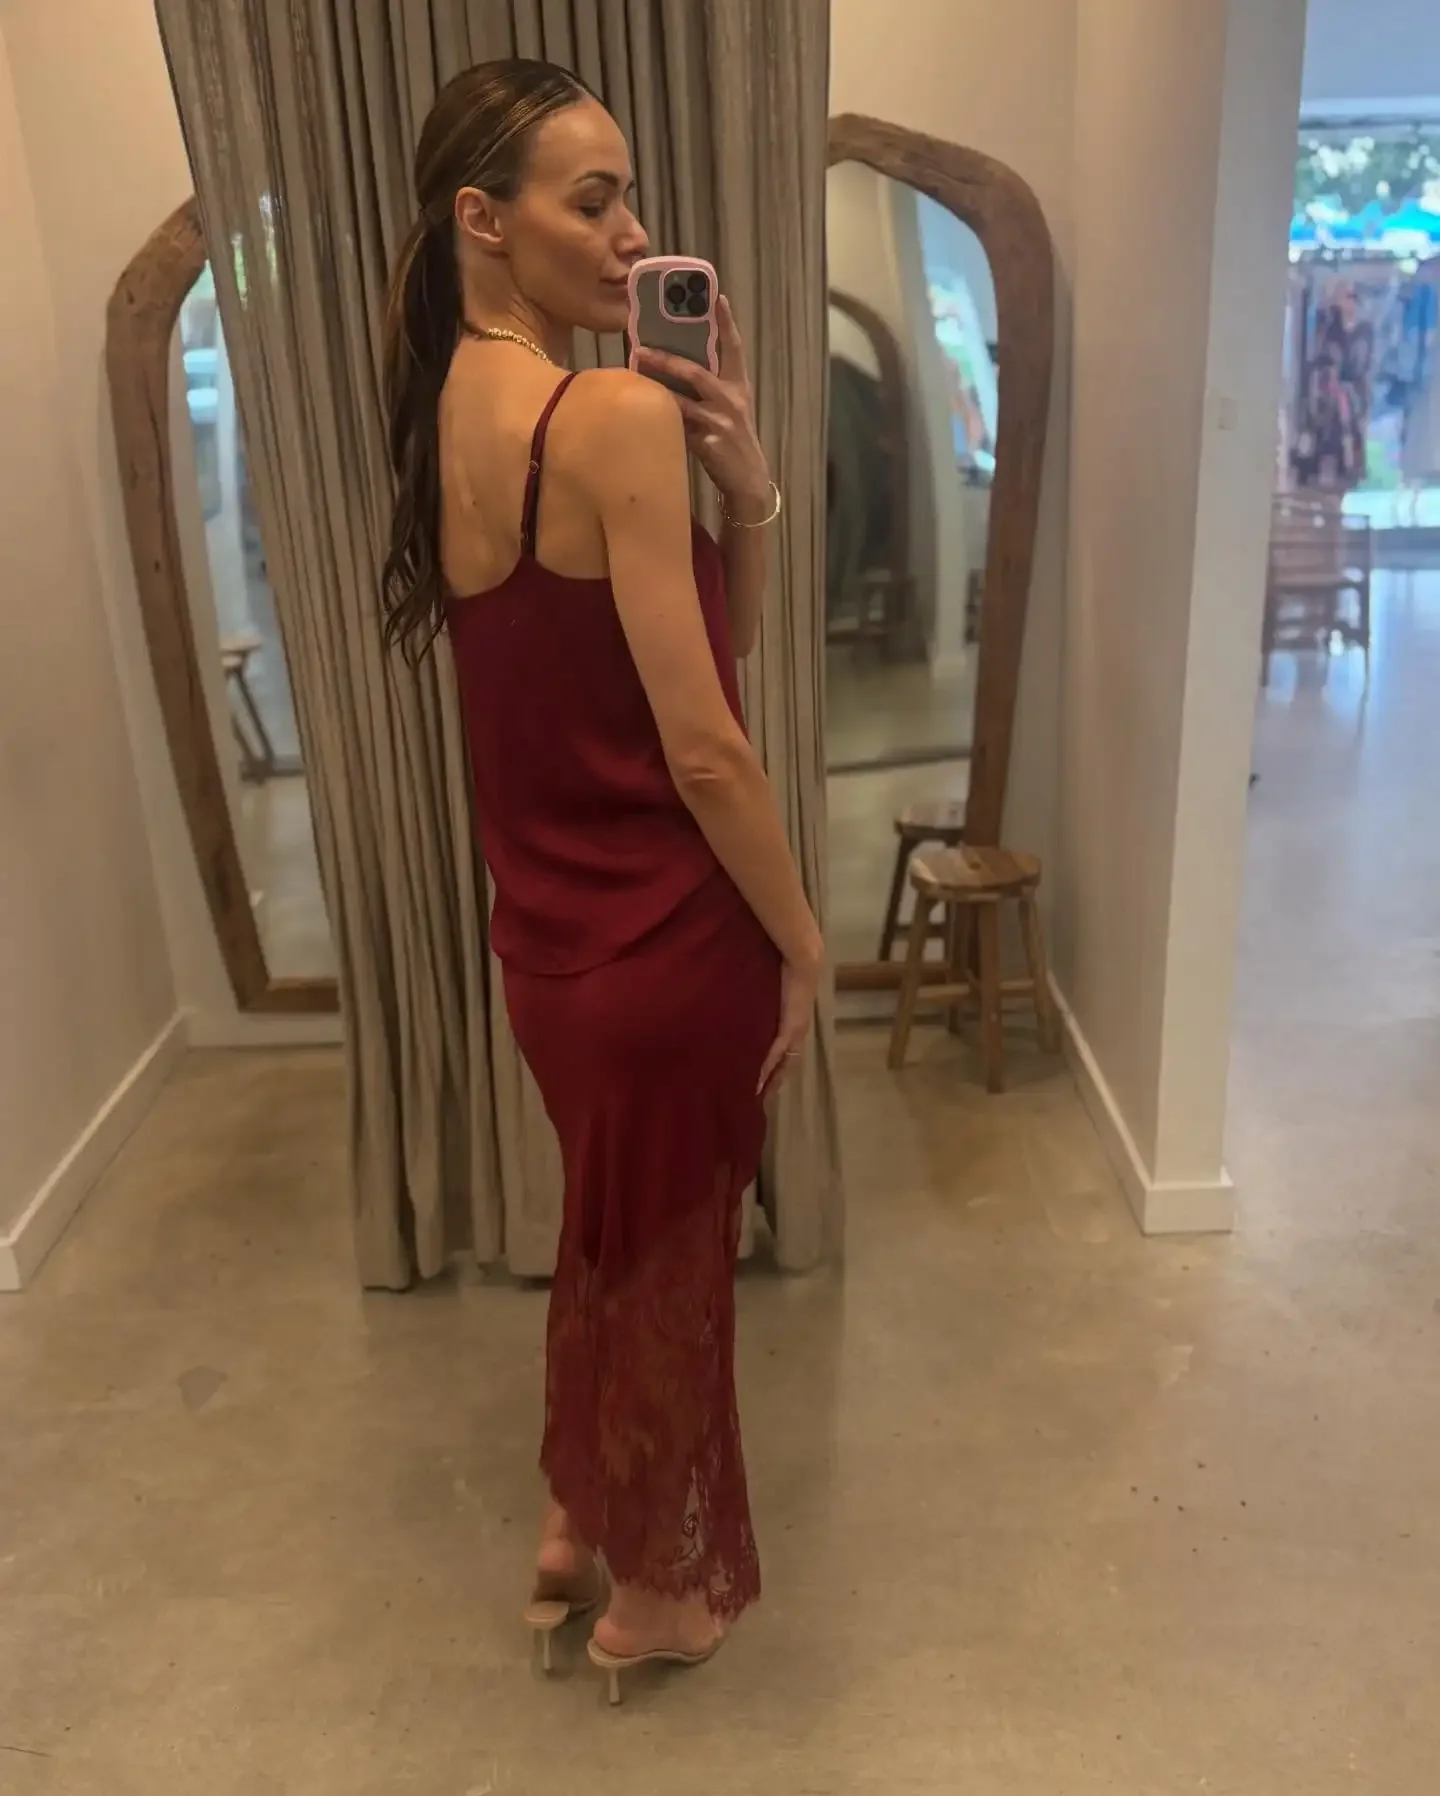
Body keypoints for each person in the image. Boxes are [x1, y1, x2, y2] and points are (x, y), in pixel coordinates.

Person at [379, 59, 823, 1691]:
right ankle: (660, 1595)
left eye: (630, 196)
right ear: (482, 219)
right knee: (671, 1264)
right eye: (594, 199)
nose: (635, 234)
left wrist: (745, 491)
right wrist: (805, 943)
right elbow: (708, 748)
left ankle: (576, 1521)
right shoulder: (609, 417)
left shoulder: (455, 404)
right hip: (666, 942)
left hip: (550, 953)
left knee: (610, 1237)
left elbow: (703, 652)